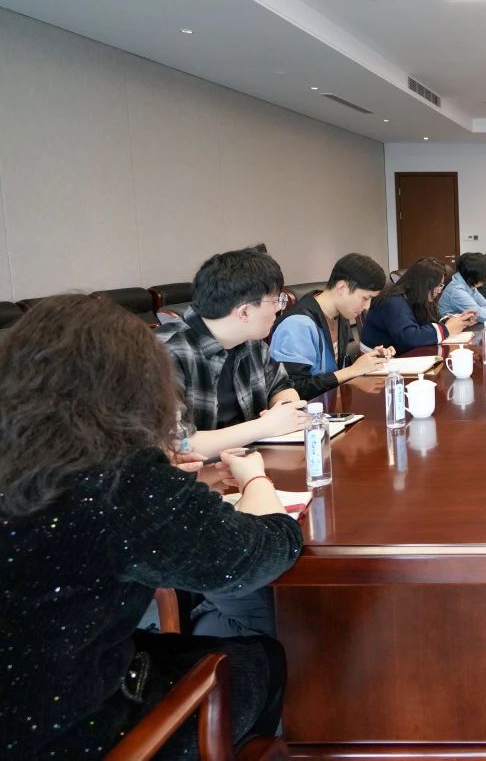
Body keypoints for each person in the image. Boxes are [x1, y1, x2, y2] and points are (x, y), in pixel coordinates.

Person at [0, 295, 302, 758]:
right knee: (262, 659)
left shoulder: (31, 459)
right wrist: (255, 479)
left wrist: (165, 481)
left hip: (35, 681)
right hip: (65, 730)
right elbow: (259, 554)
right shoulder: (117, 479)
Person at [156, 248, 307, 457]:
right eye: (275, 301)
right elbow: (175, 444)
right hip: (197, 472)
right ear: (244, 312)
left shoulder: (251, 342)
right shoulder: (163, 353)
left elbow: (281, 385)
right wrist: (266, 426)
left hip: (248, 463)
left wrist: (286, 410)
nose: (279, 309)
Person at [269, 253, 394, 399]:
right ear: (342, 287)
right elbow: (294, 389)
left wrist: (370, 360)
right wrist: (353, 370)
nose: (367, 306)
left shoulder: (341, 315)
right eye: (365, 298)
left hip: (333, 404)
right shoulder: (297, 325)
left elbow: (336, 369)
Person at [363, 257, 477, 352]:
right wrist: (446, 329)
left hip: (399, 355)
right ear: (423, 285)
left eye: (441, 285)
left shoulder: (417, 297)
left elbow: (429, 322)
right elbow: (409, 337)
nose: (439, 290)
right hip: (378, 361)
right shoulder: (393, 302)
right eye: (438, 286)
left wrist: (457, 320)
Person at [440, 252, 486, 325]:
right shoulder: (456, 290)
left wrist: (481, 315)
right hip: (451, 330)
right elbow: (481, 315)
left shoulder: (469, 284)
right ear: (478, 274)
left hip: (467, 326)